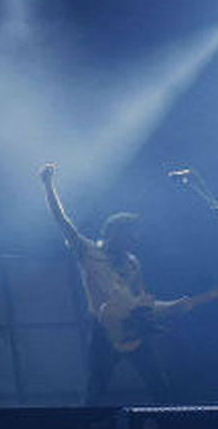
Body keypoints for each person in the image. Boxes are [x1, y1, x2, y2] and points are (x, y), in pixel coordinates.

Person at [39, 162, 176, 404]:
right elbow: (62, 221)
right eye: (130, 234)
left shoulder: (132, 262)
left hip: (133, 326)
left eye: (136, 235)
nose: (135, 240)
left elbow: (139, 293)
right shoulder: (89, 251)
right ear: (114, 233)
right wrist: (48, 184)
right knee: (96, 388)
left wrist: (147, 311)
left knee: (159, 386)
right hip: (103, 329)